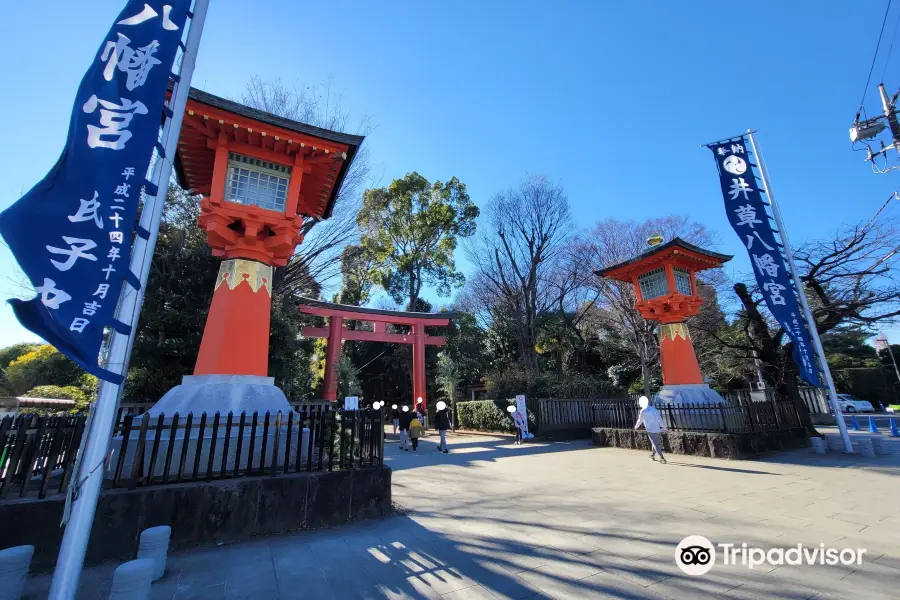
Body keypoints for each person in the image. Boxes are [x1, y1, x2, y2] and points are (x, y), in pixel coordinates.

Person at [634, 396, 667, 463]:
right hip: (657, 429)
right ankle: (652, 455)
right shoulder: (654, 409)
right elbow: (659, 419)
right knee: (655, 443)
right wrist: (664, 427)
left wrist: (636, 427)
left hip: (650, 430)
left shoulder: (643, 411)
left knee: (655, 444)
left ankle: (662, 458)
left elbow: (640, 420)